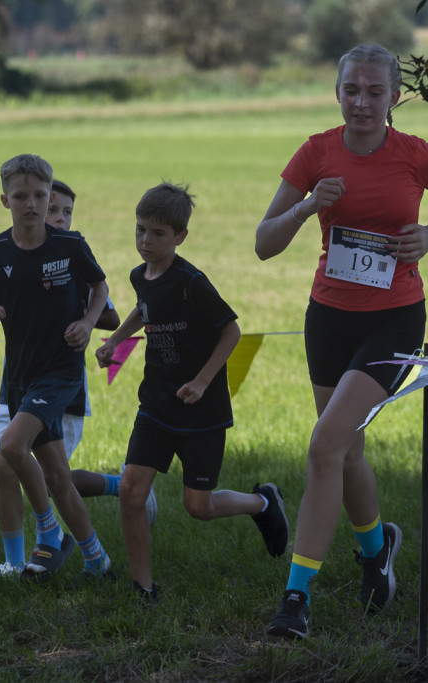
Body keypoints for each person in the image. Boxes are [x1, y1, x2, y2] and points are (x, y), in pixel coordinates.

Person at [254, 44, 428, 638]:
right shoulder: (316, 152)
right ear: (338, 91)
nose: (362, 101)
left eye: (376, 91)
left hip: (395, 319)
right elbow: (262, 243)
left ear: (395, 97)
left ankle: (296, 599)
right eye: (352, 89)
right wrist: (305, 207)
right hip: (328, 316)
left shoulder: (416, 155)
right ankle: (378, 552)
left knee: (325, 446)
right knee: (347, 452)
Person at [0, 178, 157, 585]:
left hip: (61, 380)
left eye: (64, 211)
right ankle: (94, 556)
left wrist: (81, 318)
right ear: (13, 204)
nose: (56, 217)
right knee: (48, 474)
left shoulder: (71, 253)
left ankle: (46, 538)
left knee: (12, 453)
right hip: (20, 379)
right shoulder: (5, 251)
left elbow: (110, 313)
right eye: (53, 210)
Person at [96, 182, 290, 603]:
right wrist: (116, 341)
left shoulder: (191, 282)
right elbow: (143, 308)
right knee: (131, 490)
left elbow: (231, 330)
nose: (146, 241)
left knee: (198, 507)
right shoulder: (139, 275)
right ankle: (142, 587)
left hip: (201, 410)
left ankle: (262, 502)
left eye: (158, 234)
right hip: (157, 402)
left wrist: (202, 381)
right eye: (140, 230)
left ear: (180, 236)